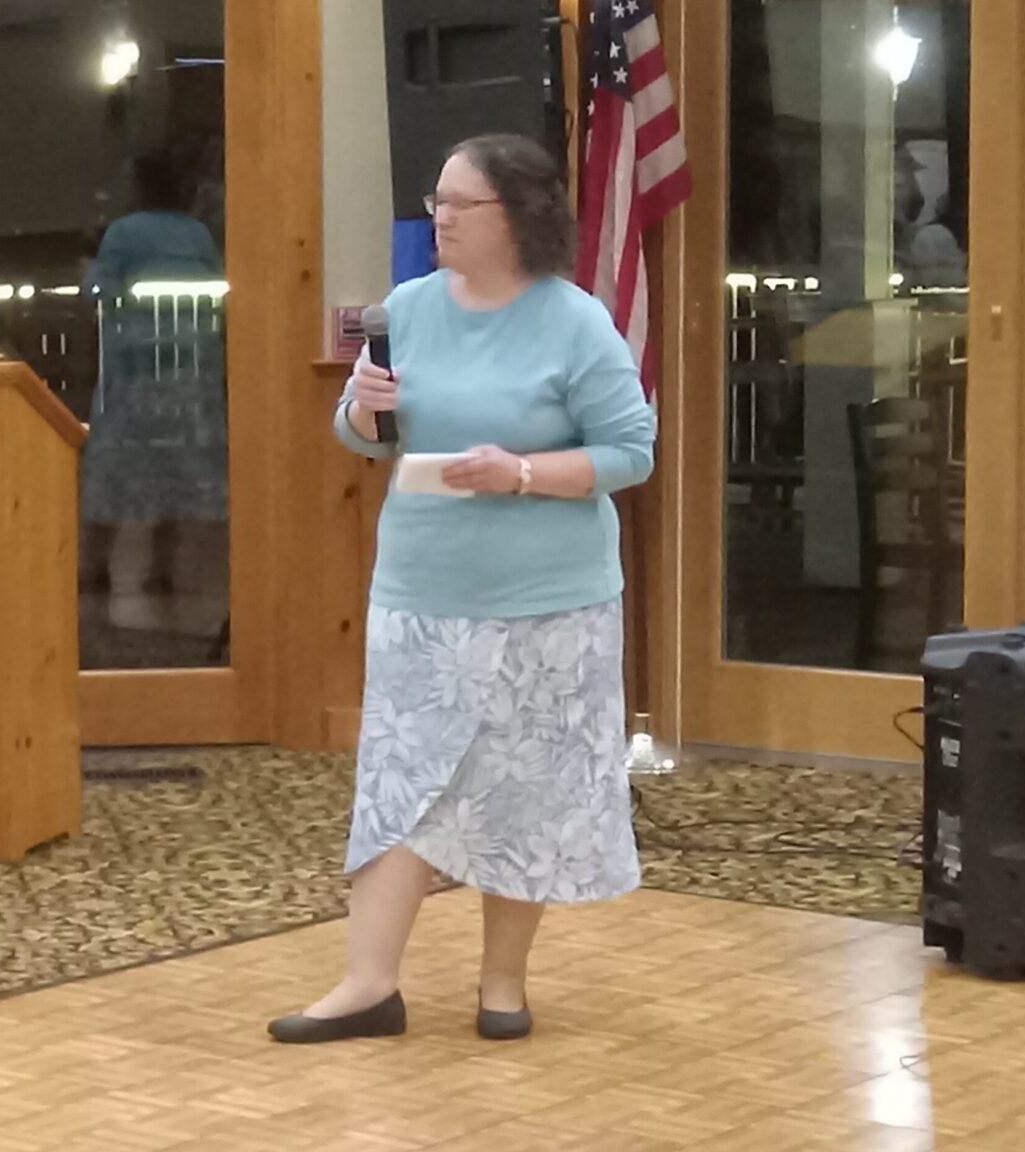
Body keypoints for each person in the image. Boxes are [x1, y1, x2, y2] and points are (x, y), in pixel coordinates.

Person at [270, 134, 654, 1044]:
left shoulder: (575, 322)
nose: (438, 217)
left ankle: (503, 985)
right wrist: (362, 408)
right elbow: (365, 437)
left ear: (515, 215)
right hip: (421, 594)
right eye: (435, 201)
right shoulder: (406, 308)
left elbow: (629, 452)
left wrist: (520, 472)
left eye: (459, 203)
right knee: (398, 784)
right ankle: (368, 985)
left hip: (550, 604)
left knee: (524, 788)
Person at [81, 152, 227, 634]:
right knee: (184, 487)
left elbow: (97, 291)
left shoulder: (124, 233)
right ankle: (181, 586)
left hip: (135, 375)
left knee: (132, 489)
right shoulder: (198, 236)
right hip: (192, 377)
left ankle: (123, 589)